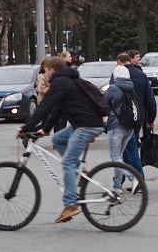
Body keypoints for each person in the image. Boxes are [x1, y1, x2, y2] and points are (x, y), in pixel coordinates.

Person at [17, 55, 105, 223]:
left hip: (86, 125)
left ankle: (70, 204)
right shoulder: (66, 81)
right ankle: (79, 170)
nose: (45, 74)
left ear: (53, 70)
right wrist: (45, 129)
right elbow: (57, 109)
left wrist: (25, 128)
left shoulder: (61, 82)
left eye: (46, 71)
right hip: (82, 123)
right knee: (58, 139)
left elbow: (45, 106)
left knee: (67, 163)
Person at [103, 64, 142, 186]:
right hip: (129, 128)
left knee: (115, 157)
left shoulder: (114, 88)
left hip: (116, 127)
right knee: (119, 157)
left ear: (116, 76)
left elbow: (102, 104)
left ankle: (133, 178)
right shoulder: (131, 88)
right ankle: (117, 186)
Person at [123, 50, 156, 171]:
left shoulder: (118, 75)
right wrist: (150, 118)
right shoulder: (141, 75)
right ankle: (133, 177)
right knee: (131, 147)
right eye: (137, 57)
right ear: (130, 59)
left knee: (126, 149)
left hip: (123, 116)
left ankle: (132, 177)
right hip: (139, 114)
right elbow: (150, 99)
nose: (139, 59)